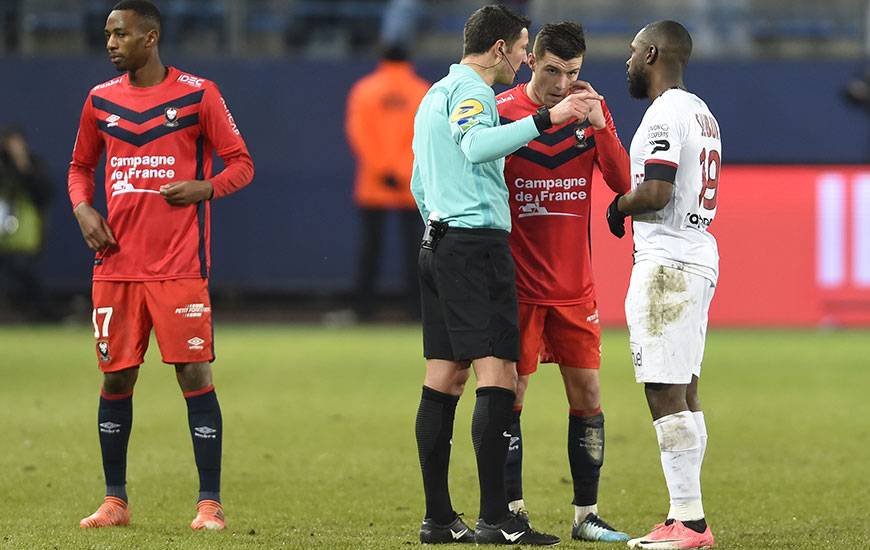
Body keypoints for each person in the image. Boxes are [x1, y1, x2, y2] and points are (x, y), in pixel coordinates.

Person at [410, 4, 599, 545]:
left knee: (443, 378)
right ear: (498, 48)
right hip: (475, 246)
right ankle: (498, 520)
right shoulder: (473, 94)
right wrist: (546, 120)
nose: (523, 56)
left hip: (439, 242)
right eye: (520, 48)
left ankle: (440, 519)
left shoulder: (434, 95)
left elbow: (419, 182)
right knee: (497, 378)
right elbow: (474, 146)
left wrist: (441, 228)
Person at [67, 0, 254, 531]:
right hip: (115, 267)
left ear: (149, 38)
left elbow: (242, 163)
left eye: (119, 34)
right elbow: (80, 166)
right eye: (107, 34)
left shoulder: (199, 93)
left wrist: (206, 187)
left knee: (194, 373)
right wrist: (83, 209)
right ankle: (114, 501)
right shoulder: (99, 100)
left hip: (178, 268)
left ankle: (209, 504)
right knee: (117, 378)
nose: (109, 43)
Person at [495, 21, 631, 543]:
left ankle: (585, 516)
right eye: (552, 70)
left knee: (589, 393)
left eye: (572, 72)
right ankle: (512, 510)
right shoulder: (503, 112)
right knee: (510, 394)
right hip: (519, 287)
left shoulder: (589, 111)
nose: (561, 82)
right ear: (533, 61)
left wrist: (601, 124)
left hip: (576, 290)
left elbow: (622, 184)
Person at [606, 20, 720, 550]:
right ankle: (689, 517)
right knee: (685, 388)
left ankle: (688, 522)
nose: (628, 62)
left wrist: (618, 204)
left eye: (633, 53)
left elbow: (654, 191)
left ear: (652, 52)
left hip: (668, 261)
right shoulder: (703, 112)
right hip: (696, 254)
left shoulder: (665, 112)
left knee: (663, 388)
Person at [345, 43, 429, 321]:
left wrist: (383, 169)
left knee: (370, 249)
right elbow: (425, 136)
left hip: (374, 181)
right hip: (410, 182)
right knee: (418, 250)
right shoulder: (421, 90)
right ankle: (419, 310)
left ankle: (363, 310)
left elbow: (359, 134)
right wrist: (403, 170)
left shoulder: (365, 90)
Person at [0, 125, 53, 319]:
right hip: (3, 236)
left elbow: (44, 193)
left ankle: (44, 315)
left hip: (24, 235)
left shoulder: (33, 165)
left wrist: (22, 164)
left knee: (24, 274)